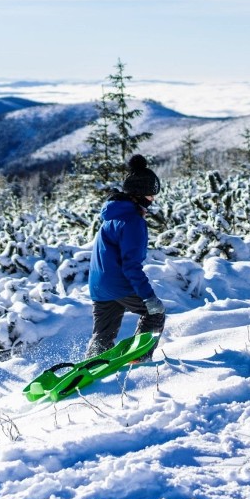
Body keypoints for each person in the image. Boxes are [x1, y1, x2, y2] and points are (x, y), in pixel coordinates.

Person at [85, 154, 166, 360]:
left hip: (98, 285)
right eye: (150, 194)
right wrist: (148, 297)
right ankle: (139, 359)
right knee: (155, 313)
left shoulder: (112, 215)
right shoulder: (132, 221)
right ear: (139, 194)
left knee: (103, 335)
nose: (152, 199)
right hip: (119, 283)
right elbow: (131, 266)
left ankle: (92, 363)